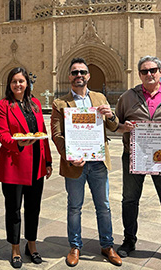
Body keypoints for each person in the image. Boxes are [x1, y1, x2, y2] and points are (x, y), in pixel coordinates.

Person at [51, 57, 122, 267]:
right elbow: (56, 135)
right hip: (75, 164)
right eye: (74, 72)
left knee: (104, 206)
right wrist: (69, 156)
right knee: (74, 207)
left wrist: (110, 115)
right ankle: (75, 246)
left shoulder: (100, 98)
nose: (79, 75)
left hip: (98, 162)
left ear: (88, 76)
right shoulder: (60, 103)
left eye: (82, 72)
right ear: (69, 76)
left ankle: (107, 245)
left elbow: (113, 126)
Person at [0, 67, 52, 268]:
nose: (18, 85)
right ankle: (15, 248)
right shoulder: (3, 105)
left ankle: (32, 245)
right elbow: (2, 135)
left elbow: (42, 133)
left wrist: (48, 161)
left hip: (37, 163)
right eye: (14, 81)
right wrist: (18, 143)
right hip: (15, 163)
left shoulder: (35, 103)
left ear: (27, 83)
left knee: (33, 208)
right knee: (14, 209)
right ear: (9, 85)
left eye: (21, 81)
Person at [115, 55, 161, 258]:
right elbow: (115, 125)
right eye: (144, 71)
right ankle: (128, 240)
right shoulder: (128, 97)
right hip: (134, 155)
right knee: (130, 200)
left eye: (153, 70)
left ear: (159, 72)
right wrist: (123, 127)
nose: (149, 74)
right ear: (139, 74)